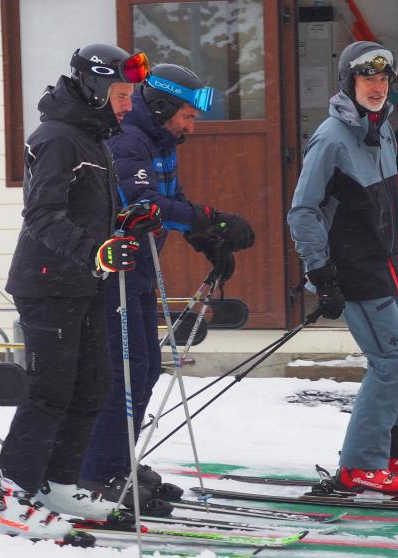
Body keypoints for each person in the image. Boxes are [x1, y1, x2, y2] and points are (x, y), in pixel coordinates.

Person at [0, 43, 151, 538]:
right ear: (97, 89)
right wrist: (95, 251)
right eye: (122, 94)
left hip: (80, 281)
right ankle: (11, 493)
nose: (128, 105)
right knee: (50, 389)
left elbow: (80, 211)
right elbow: (41, 215)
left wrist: (122, 222)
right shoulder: (57, 137)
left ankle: (56, 482)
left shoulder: (92, 137)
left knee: (93, 383)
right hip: (47, 283)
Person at [79, 64, 255, 511]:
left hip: (139, 267)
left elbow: (171, 199)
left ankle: (117, 459)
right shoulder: (129, 140)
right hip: (112, 270)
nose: (191, 127)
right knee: (126, 371)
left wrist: (207, 241)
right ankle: (98, 474)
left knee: (145, 369)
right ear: (161, 107)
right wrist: (214, 218)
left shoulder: (159, 141)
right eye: (187, 117)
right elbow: (144, 203)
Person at [287, 41, 398, 495]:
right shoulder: (332, 138)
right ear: (348, 83)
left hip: (384, 263)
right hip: (353, 267)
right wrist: (322, 273)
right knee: (391, 360)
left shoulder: (382, 127)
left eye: (384, 79)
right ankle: (359, 464)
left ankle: (390, 451)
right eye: (367, 78)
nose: (377, 86)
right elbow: (302, 211)